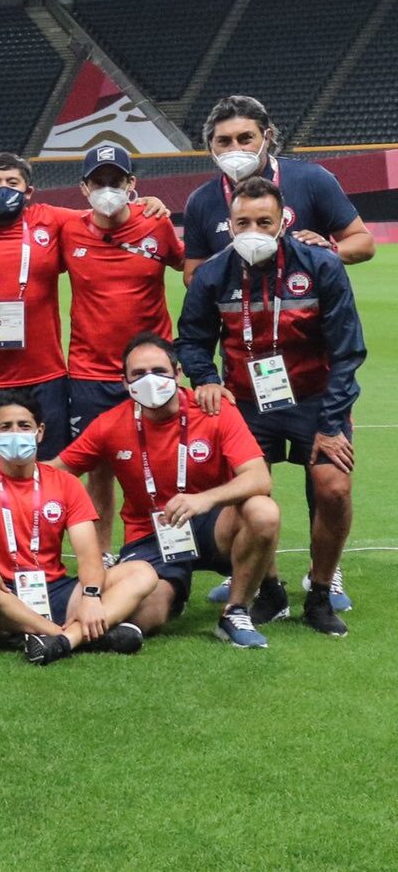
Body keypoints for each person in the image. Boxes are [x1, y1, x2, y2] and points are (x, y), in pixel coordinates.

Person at [177, 177, 365, 636]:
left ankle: (319, 594)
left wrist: (331, 422)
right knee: (248, 497)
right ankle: (270, 590)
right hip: (245, 402)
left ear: (283, 221)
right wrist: (205, 379)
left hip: (316, 398)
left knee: (333, 487)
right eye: (244, 222)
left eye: (265, 221)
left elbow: (348, 351)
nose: (254, 230)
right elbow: (192, 342)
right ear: (230, 224)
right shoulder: (212, 274)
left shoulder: (321, 266)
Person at [56, 334, 279, 648]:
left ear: (177, 374)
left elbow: (259, 478)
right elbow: (54, 471)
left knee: (263, 511)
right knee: (144, 615)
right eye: (138, 374)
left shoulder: (214, 410)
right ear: (125, 382)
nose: (150, 381)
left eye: (159, 372)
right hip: (151, 534)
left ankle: (235, 610)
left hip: (211, 525)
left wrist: (204, 500)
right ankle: (168, 599)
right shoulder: (109, 424)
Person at [0, 153, 167, 467]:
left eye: (12, 183)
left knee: (51, 472)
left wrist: (144, 202)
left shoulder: (52, 220)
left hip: (44, 376)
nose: (3, 189)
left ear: (29, 192)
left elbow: (105, 213)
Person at [0, 393, 157, 664]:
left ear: (39, 432)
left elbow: (89, 555)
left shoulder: (65, 483)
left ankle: (58, 640)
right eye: (6, 427)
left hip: (54, 591)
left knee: (142, 572)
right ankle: (66, 635)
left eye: (24, 426)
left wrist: (91, 596)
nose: (16, 433)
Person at [57, 145, 184, 532]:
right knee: (99, 470)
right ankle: (102, 555)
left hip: (152, 368)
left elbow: (189, 265)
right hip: (90, 371)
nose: (107, 188)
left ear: (132, 184)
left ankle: (167, 550)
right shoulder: (69, 228)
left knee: (163, 459)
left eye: (117, 180)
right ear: (84, 187)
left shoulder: (156, 224)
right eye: (99, 181)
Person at [180, 94, 372, 275]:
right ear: (210, 144)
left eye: (245, 139)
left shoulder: (312, 179)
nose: (235, 148)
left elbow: (364, 243)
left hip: (304, 304)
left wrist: (326, 252)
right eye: (224, 141)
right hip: (237, 308)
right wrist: (225, 274)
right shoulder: (201, 200)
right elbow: (192, 273)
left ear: (267, 137)